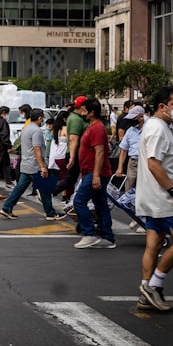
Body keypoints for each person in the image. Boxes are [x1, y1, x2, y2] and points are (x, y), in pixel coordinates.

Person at [136, 86, 173, 311]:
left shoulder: (158, 126)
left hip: (155, 197)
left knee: (154, 244)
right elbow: (154, 164)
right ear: (162, 107)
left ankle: (144, 293)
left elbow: (168, 164)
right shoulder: (158, 129)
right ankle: (153, 286)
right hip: (162, 199)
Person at [0, 108, 63, 221]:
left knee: (19, 189)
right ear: (39, 117)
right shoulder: (36, 130)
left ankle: (6, 207)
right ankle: (50, 213)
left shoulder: (26, 128)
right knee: (45, 189)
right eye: (42, 117)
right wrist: (43, 166)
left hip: (26, 164)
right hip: (35, 165)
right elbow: (37, 148)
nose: (42, 120)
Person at [72, 98, 116, 249]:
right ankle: (108, 237)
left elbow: (100, 152)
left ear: (91, 113)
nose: (81, 112)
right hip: (92, 171)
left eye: (84, 110)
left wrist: (96, 175)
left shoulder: (97, 128)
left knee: (79, 201)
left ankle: (89, 233)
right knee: (100, 204)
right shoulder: (93, 126)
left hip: (95, 172)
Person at [115, 105, 145, 191]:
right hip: (133, 163)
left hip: (145, 162)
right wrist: (120, 167)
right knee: (129, 186)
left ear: (141, 117)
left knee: (144, 189)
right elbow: (123, 151)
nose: (131, 121)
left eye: (134, 118)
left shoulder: (149, 128)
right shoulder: (130, 131)